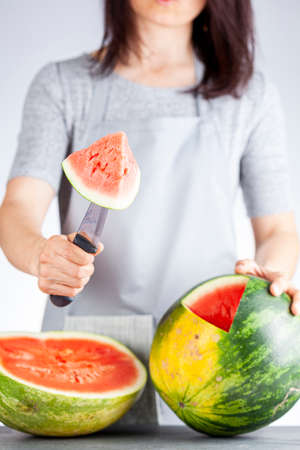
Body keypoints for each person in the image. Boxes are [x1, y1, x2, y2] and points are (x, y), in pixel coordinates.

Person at [0, 0, 300, 424]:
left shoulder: (249, 94)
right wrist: (40, 255)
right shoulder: (63, 84)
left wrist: (268, 276)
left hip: (208, 358)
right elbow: (17, 209)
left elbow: (277, 230)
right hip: (84, 359)